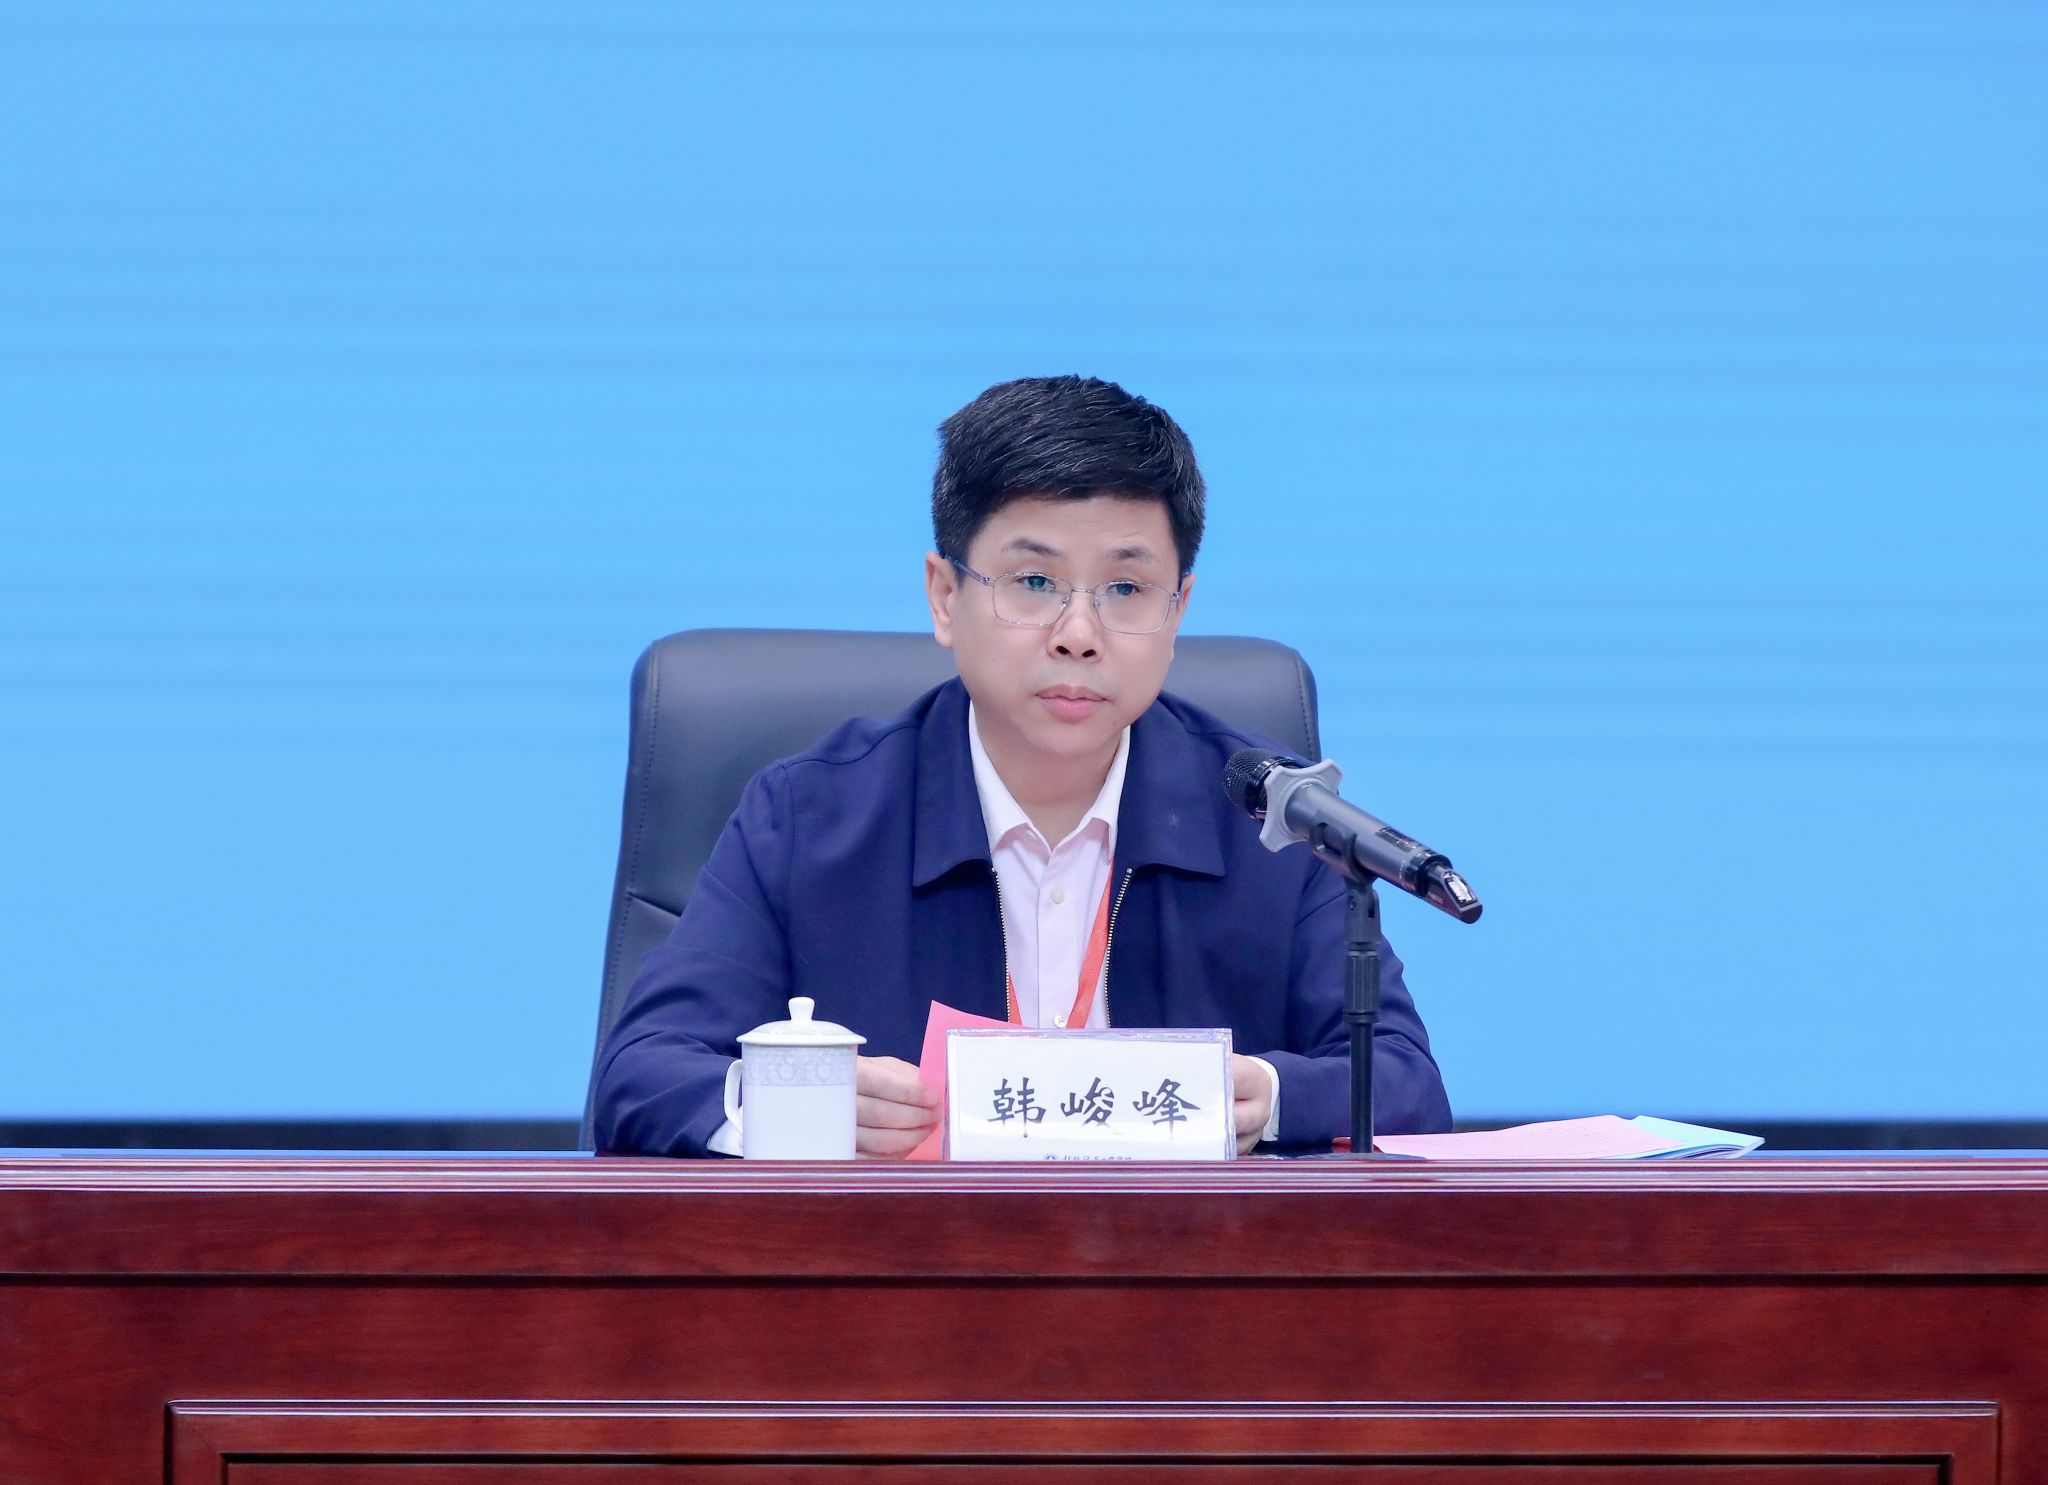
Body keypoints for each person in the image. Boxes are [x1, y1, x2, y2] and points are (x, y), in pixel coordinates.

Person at [593, 375, 1451, 1156]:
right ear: (945, 596)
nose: (1079, 634)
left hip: (1186, 1268)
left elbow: (1407, 1086)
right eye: (1034, 583)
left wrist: (1266, 1095)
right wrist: (796, 1104)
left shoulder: (1273, 824)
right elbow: (639, 1076)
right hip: (904, 1267)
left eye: (1126, 590)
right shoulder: (808, 817)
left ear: (1178, 608)